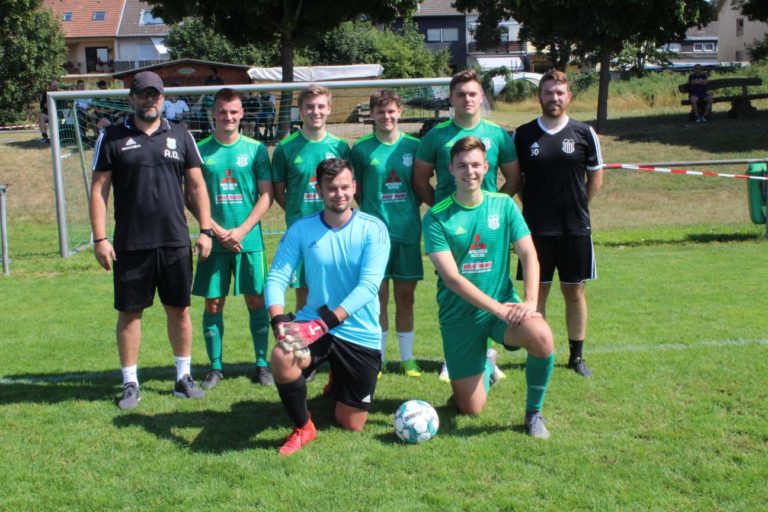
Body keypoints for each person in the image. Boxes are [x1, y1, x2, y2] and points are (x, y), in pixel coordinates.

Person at [90, 71, 213, 410]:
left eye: (155, 94)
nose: (150, 100)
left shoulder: (181, 135)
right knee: (130, 314)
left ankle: (182, 378)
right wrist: (100, 238)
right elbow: (99, 190)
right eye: (144, 94)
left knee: (180, 309)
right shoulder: (111, 137)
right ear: (132, 98)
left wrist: (205, 230)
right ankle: (130, 383)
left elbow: (197, 187)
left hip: (174, 241)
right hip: (131, 243)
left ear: (163, 98)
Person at [422, 136, 555, 439]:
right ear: (450, 170)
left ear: (486, 167)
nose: (469, 171)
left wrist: (531, 302)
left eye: (475, 165)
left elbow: (529, 254)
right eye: (462, 166)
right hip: (460, 317)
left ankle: (533, 414)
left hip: (502, 309)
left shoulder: (504, 205)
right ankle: (486, 365)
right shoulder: (436, 217)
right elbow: (453, 279)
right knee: (469, 408)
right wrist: (498, 309)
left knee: (543, 337)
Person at [265, 158, 390, 456]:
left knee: (351, 423)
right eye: (331, 188)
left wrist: (326, 322)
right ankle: (303, 426)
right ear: (318, 189)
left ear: (355, 187)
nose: (339, 194)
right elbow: (277, 276)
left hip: (359, 332)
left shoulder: (374, 229)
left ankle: (338, 378)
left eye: (345, 187)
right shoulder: (301, 230)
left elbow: (369, 286)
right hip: (314, 324)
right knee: (282, 355)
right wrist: (279, 320)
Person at [413, 69, 519, 381]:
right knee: (452, 288)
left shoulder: (498, 134)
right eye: (460, 94)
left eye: (473, 93)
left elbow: (513, 178)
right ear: (451, 98)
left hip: (489, 227)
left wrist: (495, 213)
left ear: (482, 96)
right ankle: (454, 356)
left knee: (487, 283)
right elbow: (420, 180)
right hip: (451, 229)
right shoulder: (436, 135)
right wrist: (446, 216)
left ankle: (486, 354)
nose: (467, 99)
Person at [509, 69, 604, 378]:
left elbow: (595, 177)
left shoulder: (584, 133)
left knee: (574, 291)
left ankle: (577, 357)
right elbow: (516, 180)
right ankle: (541, 352)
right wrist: (532, 208)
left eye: (559, 93)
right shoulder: (522, 135)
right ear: (540, 96)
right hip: (535, 229)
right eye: (548, 92)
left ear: (569, 97)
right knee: (538, 295)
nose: (554, 98)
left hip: (575, 228)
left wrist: (578, 208)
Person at [192, 88, 275, 389]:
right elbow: (190, 195)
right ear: (213, 113)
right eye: (222, 111)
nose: (228, 117)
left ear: (242, 114)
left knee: (257, 300)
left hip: (248, 240)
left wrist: (241, 230)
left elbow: (268, 195)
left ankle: (263, 364)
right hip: (212, 241)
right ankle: (215, 367)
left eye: (234, 111)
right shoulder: (199, 149)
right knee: (213, 303)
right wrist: (213, 229)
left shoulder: (254, 149)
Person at [350, 89, 423, 377]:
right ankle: (376, 358)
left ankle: (407, 358)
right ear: (372, 115)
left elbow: (419, 185)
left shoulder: (414, 147)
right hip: (374, 237)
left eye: (391, 111)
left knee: (406, 297)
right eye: (380, 112)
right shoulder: (361, 149)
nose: (386, 116)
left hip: (407, 231)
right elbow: (356, 189)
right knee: (375, 297)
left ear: (400, 112)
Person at [271, 84, 350, 311]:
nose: (315, 111)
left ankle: (334, 345)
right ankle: (305, 345)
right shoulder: (286, 147)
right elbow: (278, 190)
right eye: (309, 107)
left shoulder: (340, 146)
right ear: (301, 110)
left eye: (320, 106)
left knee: (336, 293)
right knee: (304, 297)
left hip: (334, 230)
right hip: (302, 231)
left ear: (329, 109)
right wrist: (297, 212)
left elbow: (346, 189)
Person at [38, 79, 58, 144]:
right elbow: (43, 106)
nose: (54, 87)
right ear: (49, 86)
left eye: (55, 86)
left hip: (59, 115)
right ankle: (45, 137)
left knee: (63, 120)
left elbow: (64, 106)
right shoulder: (44, 95)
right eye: (53, 86)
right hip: (48, 114)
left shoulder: (60, 94)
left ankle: (60, 136)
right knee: (41, 116)